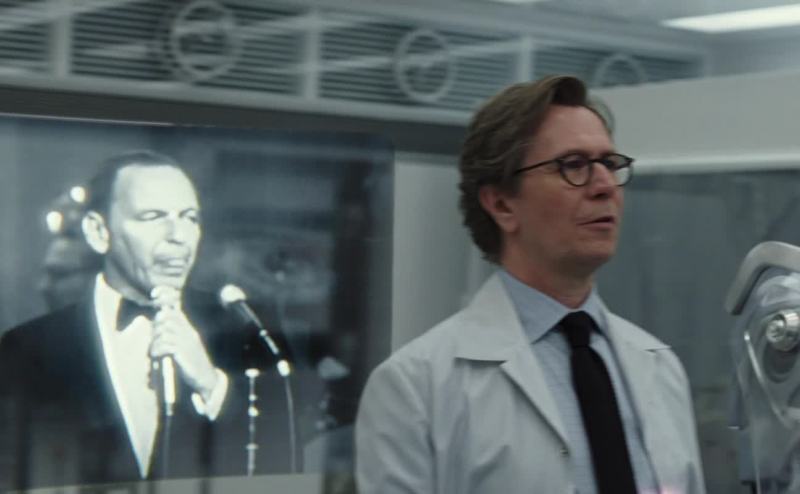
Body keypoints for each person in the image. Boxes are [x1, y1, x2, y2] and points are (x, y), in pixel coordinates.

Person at [355, 75, 706, 494]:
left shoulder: (660, 366)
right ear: (502, 203)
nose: (604, 187)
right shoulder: (415, 386)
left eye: (610, 164)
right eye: (573, 165)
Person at [0, 150, 289, 489]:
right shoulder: (28, 348)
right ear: (99, 232)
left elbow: (282, 462)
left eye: (190, 218)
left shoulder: (242, 326)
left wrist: (211, 385)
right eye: (153, 217)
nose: (179, 236)